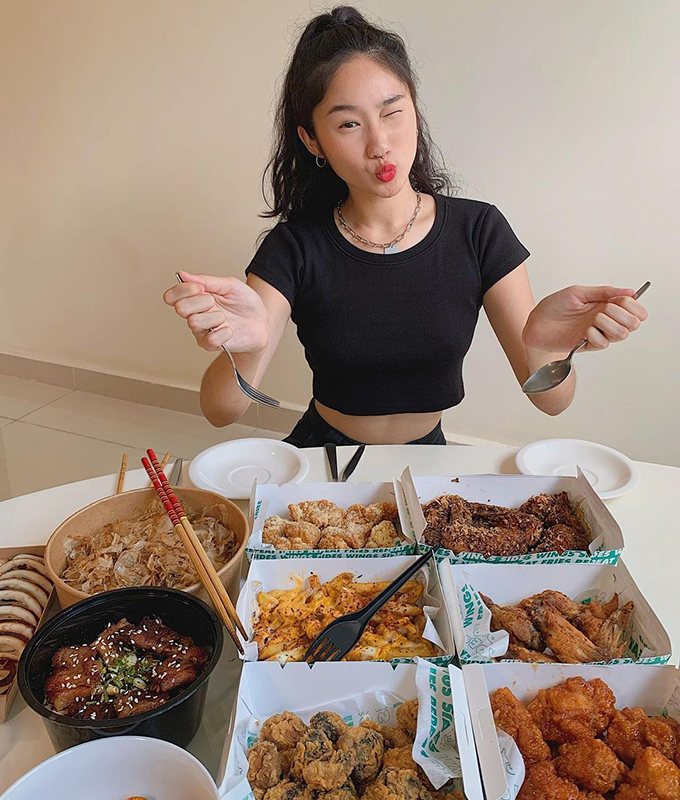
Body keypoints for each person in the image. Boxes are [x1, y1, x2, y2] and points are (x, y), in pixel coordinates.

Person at [163, 6, 648, 448]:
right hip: (322, 457)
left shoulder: (479, 231)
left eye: (393, 112)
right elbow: (219, 413)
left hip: (429, 463)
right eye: (349, 124)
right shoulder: (295, 247)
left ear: (414, 108)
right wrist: (247, 348)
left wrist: (544, 346)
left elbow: (552, 402)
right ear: (313, 140)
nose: (380, 144)